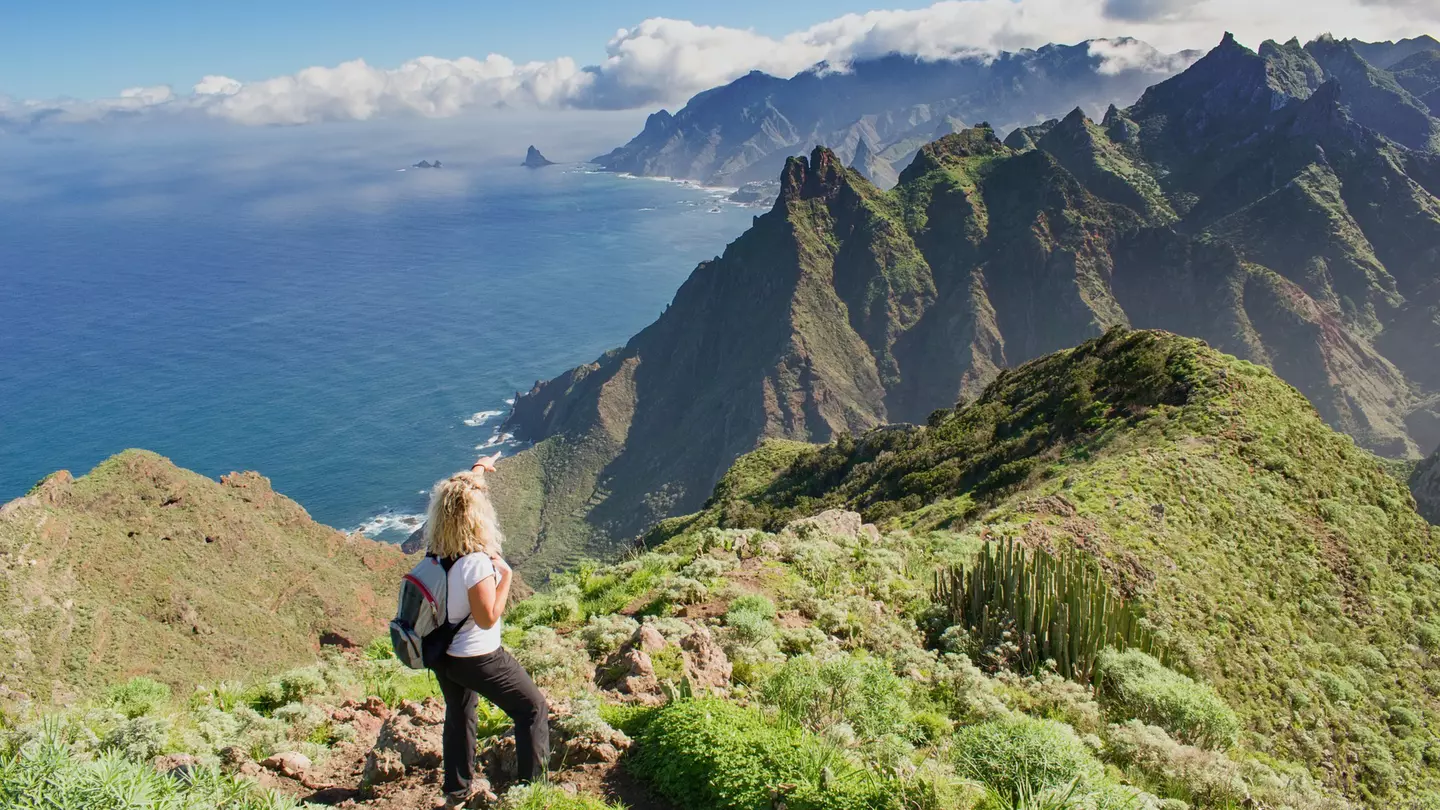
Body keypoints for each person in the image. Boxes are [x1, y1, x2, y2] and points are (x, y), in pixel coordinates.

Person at [425, 452, 548, 808]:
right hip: (476, 656)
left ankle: (456, 793)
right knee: (532, 709)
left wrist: (479, 469)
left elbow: (459, 494)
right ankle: (532, 792)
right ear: (477, 517)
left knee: (460, 714)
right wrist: (505, 577)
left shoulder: (436, 552)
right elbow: (487, 617)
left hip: (442, 656)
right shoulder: (475, 563)